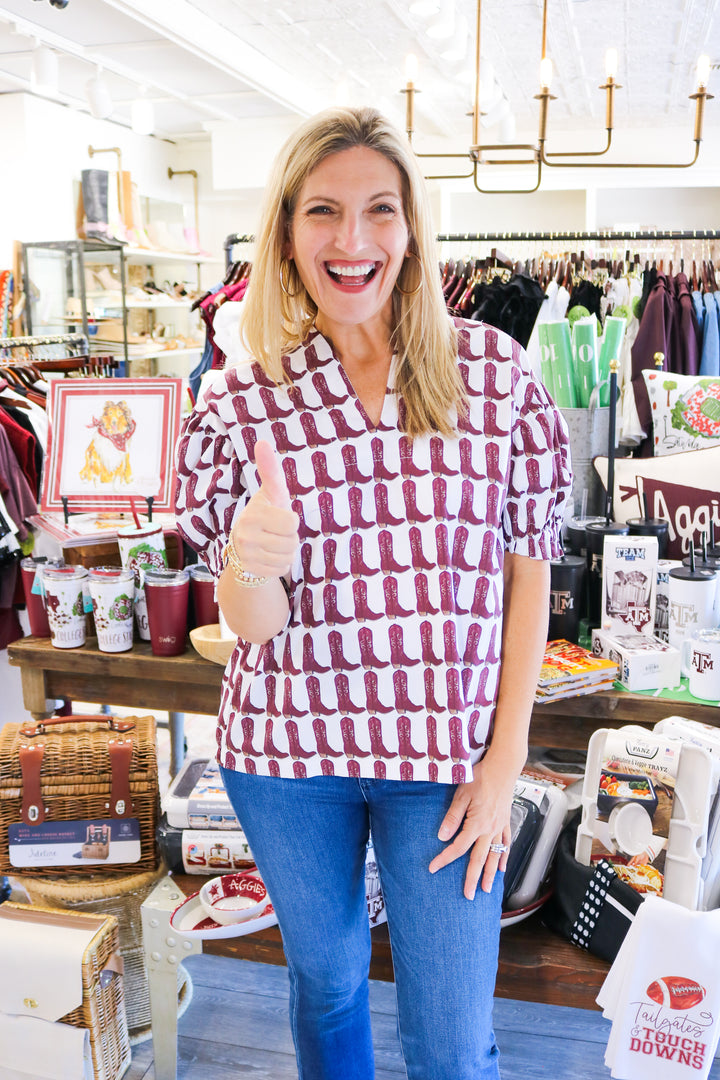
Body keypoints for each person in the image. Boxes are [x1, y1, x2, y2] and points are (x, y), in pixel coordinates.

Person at [175, 105, 572, 1080]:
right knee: (329, 987)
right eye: (323, 212)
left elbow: (531, 567)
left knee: (448, 1038)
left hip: (443, 763)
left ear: (412, 226)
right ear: (285, 231)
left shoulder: (492, 375)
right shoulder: (245, 394)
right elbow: (248, 626)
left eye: (378, 210)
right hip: (288, 758)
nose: (351, 240)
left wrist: (505, 757)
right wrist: (252, 558)